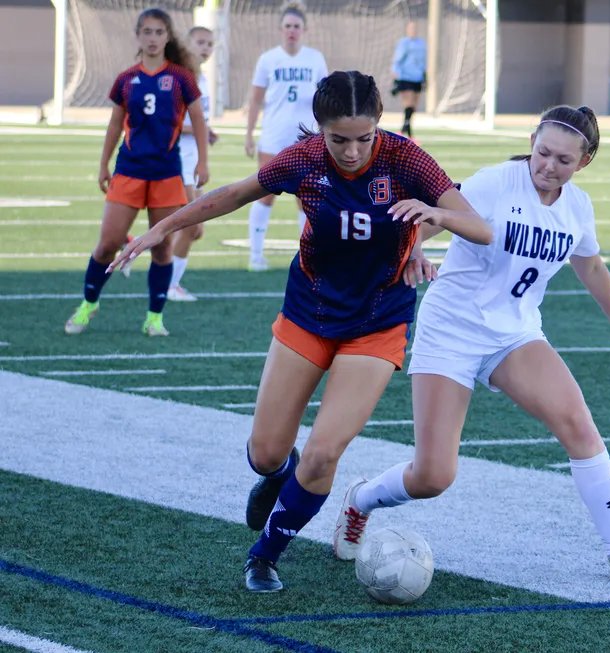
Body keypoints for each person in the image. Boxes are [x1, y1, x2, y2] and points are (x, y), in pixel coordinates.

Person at [109, 70, 492, 593]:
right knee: (266, 454)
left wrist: (434, 215)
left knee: (323, 453)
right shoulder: (305, 159)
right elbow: (235, 194)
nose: (353, 151)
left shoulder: (406, 158)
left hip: (377, 321)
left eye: (364, 138)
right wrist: (160, 228)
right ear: (320, 129)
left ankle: (264, 555)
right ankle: (277, 475)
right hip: (308, 309)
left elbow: (481, 227)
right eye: (339, 139)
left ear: (380, 125)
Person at [331, 105, 610, 588]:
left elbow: (590, 265)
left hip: (515, 334)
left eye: (564, 160)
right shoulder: (496, 181)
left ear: (584, 162)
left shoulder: (578, 207)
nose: (549, 165)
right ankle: (361, 500)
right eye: (543, 152)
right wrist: (416, 247)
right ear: (532, 140)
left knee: (579, 426)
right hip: (451, 331)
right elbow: (432, 217)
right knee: (433, 475)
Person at [64, 7, 208, 337]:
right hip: (128, 170)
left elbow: (198, 119)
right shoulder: (126, 78)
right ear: (138, 36)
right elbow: (115, 123)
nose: (153, 38)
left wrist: (203, 161)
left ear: (168, 36)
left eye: (159, 32)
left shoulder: (182, 77)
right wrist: (103, 164)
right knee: (107, 244)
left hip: (166, 173)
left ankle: (154, 318)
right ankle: (88, 304)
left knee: (161, 247)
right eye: (147, 32)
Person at [244, 1, 329, 272]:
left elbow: (325, 98)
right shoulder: (268, 59)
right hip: (273, 136)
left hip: (305, 137)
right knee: (264, 194)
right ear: (281, 29)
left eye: (296, 26)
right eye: (288, 26)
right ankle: (255, 255)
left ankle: (307, 257)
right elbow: (255, 100)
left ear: (304, 30)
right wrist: (249, 133)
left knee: (306, 197)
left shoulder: (314, 58)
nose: (292, 31)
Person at [168, 26, 219, 302]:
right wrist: (200, 130)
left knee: (194, 229)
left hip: (192, 161)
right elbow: (171, 123)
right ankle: (169, 286)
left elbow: (198, 119)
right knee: (192, 227)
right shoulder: (180, 78)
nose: (206, 48)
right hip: (177, 161)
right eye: (200, 42)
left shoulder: (203, 78)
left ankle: (168, 280)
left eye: (210, 43)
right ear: (186, 44)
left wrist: (205, 132)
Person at [390, 20, 427, 139]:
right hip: (405, 77)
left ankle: (404, 131)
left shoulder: (421, 43)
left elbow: (423, 62)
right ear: (407, 29)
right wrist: (396, 76)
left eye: (414, 28)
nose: (413, 30)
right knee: (409, 103)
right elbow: (397, 60)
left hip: (418, 78)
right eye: (410, 28)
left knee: (413, 107)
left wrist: (425, 75)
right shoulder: (404, 43)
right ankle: (408, 134)